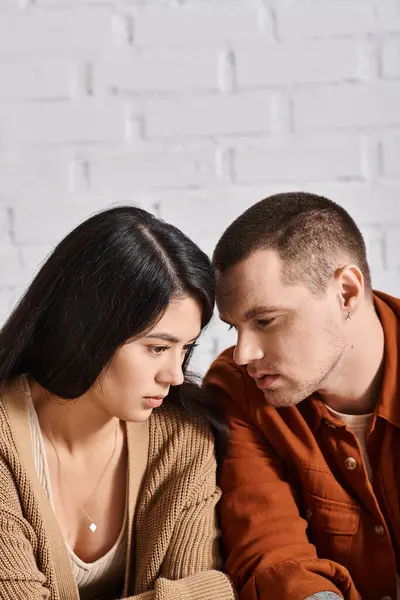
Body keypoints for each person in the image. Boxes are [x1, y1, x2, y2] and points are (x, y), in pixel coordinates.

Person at [0, 206, 235, 600]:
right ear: (90, 330)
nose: (175, 375)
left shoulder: (182, 443)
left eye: (186, 349)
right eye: (157, 347)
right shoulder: (7, 443)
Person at [204, 191, 400, 600]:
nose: (244, 353)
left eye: (265, 320)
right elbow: (271, 552)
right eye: (234, 328)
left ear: (346, 292)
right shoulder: (237, 388)